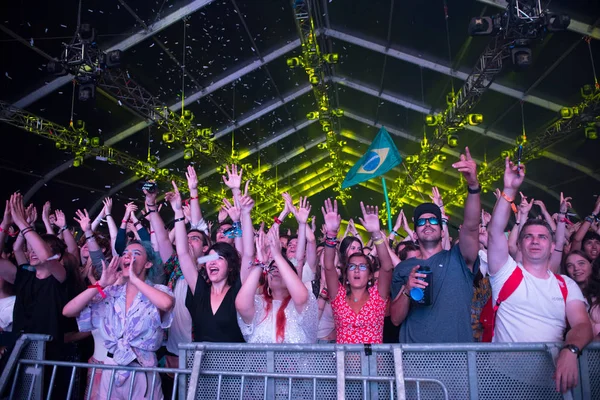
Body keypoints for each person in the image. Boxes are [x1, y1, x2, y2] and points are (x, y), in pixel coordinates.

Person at [486, 156, 593, 394]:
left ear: (551, 244)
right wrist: (509, 190)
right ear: (520, 244)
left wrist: (571, 350)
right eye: (529, 236)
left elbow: (582, 325)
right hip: (502, 381)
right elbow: (494, 232)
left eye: (542, 237)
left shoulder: (566, 285)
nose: (535, 241)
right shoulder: (506, 273)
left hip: (550, 383)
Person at [390, 147, 481, 343]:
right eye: (421, 222)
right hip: (415, 362)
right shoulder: (404, 268)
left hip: (457, 360)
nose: (428, 224)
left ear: (442, 230)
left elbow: (472, 227)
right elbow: (396, 319)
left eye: (433, 220)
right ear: (414, 234)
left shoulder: (459, 258)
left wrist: (473, 186)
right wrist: (407, 289)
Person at [63, 242, 174, 400]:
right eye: (125, 253)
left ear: (148, 263)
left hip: (142, 369)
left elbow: (166, 304)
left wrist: (135, 280)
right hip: (111, 366)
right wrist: (100, 284)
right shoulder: (112, 293)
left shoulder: (158, 290)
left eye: (136, 253)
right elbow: (68, 311)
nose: (128, 255)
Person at [322, 199, 394, 344]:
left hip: (373, 366)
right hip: (344, 366)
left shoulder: (378, 296)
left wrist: (376, 235)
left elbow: (387, 267)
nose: (356, 270)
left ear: (369, 275)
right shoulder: (338, 296)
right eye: (352, 266)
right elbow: (329, 266)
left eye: (362, 267)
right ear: (346, 274)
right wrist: (331, 233)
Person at [236, 223, 317, 344]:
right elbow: (241, 305)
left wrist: (277, 255)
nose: (276, 271)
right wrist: (259, 264)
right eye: (272, 269)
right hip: (261, 364)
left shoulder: (301, 305)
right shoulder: (258, 304)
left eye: (281, 269)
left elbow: (301, 298)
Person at [564, 251, 600, 337]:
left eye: (581, 263)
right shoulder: (565, 295)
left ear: (591, 265)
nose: (576, 268)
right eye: (570, 266)